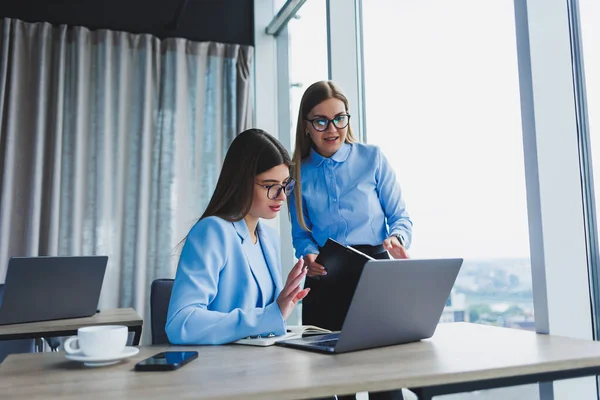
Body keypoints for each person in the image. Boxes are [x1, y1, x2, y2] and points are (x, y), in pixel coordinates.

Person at [288, 80, 412, 400]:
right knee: (331, 384)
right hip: (325, 278)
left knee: (383, 382)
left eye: (340, 118)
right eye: (321, 121)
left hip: (374, 275)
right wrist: (308, 255)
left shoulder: (372, 158)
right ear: (306, 126)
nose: (333, 128)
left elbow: (400, 216)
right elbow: (301, 233)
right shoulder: (296, 174)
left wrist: (397, 238)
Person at [166, 128, 310, 345]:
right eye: (270, 186)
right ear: (242, 182)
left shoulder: (269, 239)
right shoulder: (213, 231)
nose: (282, 196)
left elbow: (266, 327)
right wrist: (270, 316)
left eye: (285, 185)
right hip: (220, 369)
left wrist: (280, 309)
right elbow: (181, 323)